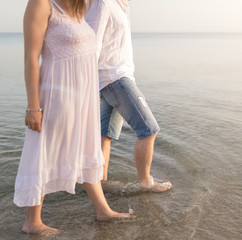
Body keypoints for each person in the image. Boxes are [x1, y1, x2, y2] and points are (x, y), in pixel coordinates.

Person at [14, 0, 133, 237]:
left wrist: (91, 93)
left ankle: (103, 210)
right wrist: (33, 107)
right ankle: (32, 222)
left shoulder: (80, 9)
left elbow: (86, 56)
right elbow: (31, 58)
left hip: (83, 98)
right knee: (42, 149)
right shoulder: (41, 4)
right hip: (55, 94)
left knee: (86, 149)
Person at [85, 0, 172, 192]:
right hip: (114, 78)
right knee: (149, 129)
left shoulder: (121, 5)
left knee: (105, 135)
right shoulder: (103, 3)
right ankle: (145, 182)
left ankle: (101, 184)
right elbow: (93, 44)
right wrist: (89, 85)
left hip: (114, 77)